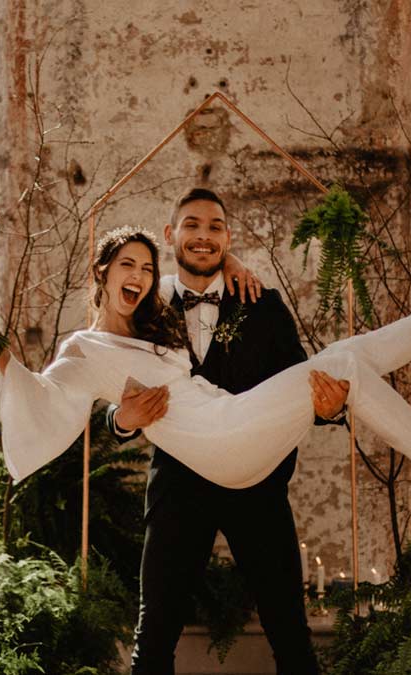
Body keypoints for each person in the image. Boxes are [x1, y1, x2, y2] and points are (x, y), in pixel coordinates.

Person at [0, 224, 411, 513]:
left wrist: (232, 256)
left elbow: (203, 263)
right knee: (346, 357)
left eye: (147, 268)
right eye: (127, 265)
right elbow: (39, 392)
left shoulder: (158, 315)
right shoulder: (83, 349)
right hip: (217, 443)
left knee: (353, 352)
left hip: (232, 421)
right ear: (102, 273)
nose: (141, 276)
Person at [104, 187, 347, 674]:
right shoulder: (143, 310)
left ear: (228, 239)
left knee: (291, 636)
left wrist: (329, 409)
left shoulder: (264, 304)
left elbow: (301, 384)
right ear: (171, 235)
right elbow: (109, 397)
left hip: (258, 487)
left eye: (215, 227)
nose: (203, 235)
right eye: (191, 225)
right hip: (178, 488)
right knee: (153, 640)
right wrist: (124, 420)